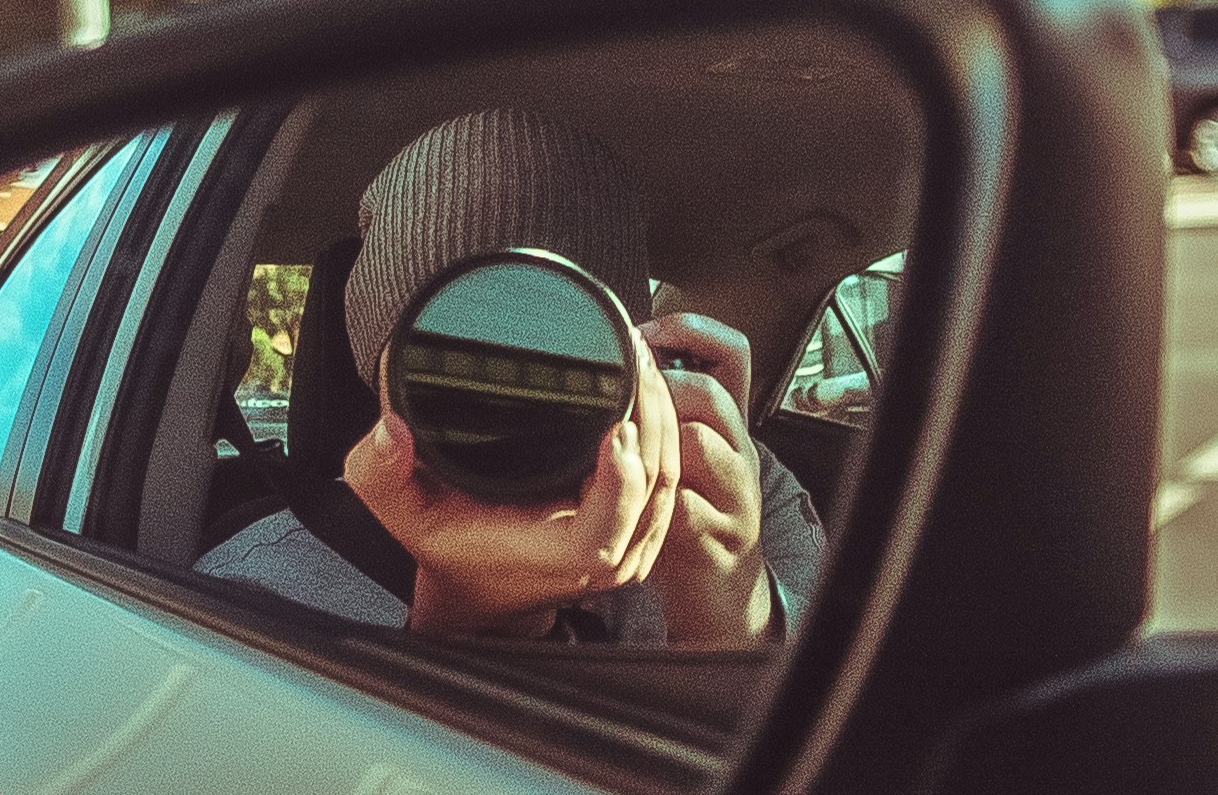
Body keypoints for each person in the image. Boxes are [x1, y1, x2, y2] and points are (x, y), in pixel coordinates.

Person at [199, 109, 826, 643]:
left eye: (569, 351)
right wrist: (462, 624)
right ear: (377, 374)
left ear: (641, 365)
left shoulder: (740, 499)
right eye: (450, 360)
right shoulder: (255, 594)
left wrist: (733, 605)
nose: (514, 403)